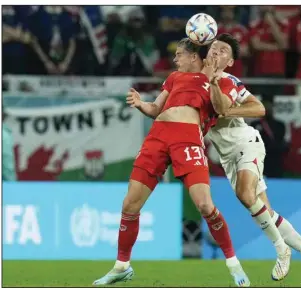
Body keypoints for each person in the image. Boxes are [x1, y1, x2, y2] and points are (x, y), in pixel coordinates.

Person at [93, 38, 250, 287]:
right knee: (130, 204)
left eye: (179, 55)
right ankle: (121, 266)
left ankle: (233, 263)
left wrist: (213, 81)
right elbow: (157, 108)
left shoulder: (226, 82)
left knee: (205, 206)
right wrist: (141, 104)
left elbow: (222, 109)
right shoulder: (175, 77)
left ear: (193, 57)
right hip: (157, 136)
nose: (175, 59)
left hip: (187, 139)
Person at [206, 33, 301, 286]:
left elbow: (258, 108)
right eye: (213, 48)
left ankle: (281, 250)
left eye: (223, 50)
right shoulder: (196, 81)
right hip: (228, 156)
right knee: (264, 211)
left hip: (246, 143)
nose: (216, 52)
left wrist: (229, 109)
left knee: (244, 194)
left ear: (229, 62)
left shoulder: (228, 80)